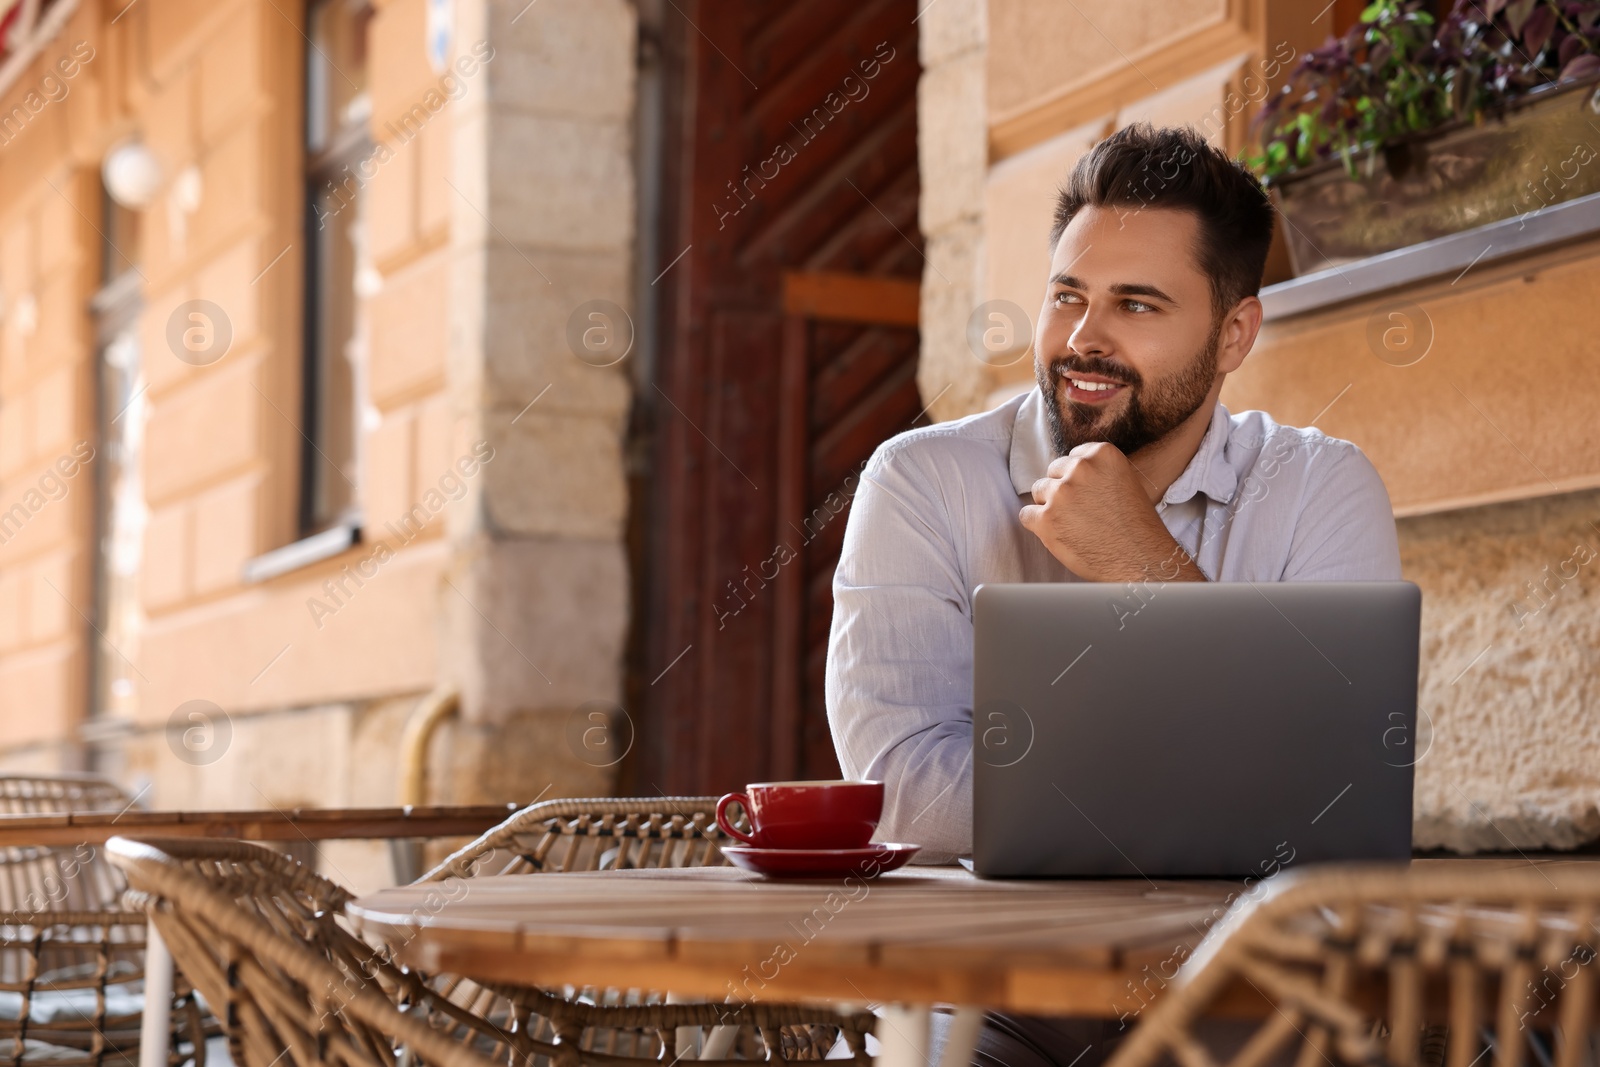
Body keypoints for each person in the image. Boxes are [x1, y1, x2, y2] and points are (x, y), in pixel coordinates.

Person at [824, 122, 1402, 1067]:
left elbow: (1331, 810)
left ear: (1234, 334)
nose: (1084, 339)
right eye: (1067, 296)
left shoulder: (1318, 489)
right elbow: (900, 791)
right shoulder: (925, 481)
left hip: (1250, 1002)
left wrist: (1147, 565)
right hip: (984, 994)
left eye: (1136, 304)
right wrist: (1210, 789)